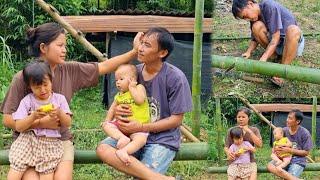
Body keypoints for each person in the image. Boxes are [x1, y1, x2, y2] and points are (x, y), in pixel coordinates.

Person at [0, 22, 141, 180]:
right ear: (43, 48)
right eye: (60, 45)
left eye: (65, 45)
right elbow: (7, 119)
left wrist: (134, 52)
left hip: (60, 140)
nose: (64, 50)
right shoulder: (23, 78)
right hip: (28, 141)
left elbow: (104, 66)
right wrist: (39, 123)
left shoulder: (69, 70)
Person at [96, 27, 192, 180]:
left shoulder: (175, 78)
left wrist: (141, 127)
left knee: (142, 175)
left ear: (162, 53)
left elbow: (177, 120)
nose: (140, 48)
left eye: (147, 45)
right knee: (103, 149)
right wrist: (119, 112)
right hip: (130, 135)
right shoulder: (133, 73)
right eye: (141, 43)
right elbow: (120, 100)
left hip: (162, 139)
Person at [7, 61, 72, 180]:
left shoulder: (59, 99)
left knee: (47, 175)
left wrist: (59, 112)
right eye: (37, 87)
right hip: (27, 141)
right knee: (16, 169)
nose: (42, 90)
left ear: (51, 81)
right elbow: (19, 126)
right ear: (29, 86)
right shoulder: (27, 101)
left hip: (50, 142)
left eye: (45, 85)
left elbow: (67, 123)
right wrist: (33, 116)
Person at [232, 0, 305, 86]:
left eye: (245, 16)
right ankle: (275, 56)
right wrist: (248, 52)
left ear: (250, 4)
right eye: (244, 18)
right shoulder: (254, 16)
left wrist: (264, 57)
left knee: (293, 30)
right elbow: (254, 38)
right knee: (256, 26)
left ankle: (283, 71)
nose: (247, 19)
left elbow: (275, 38)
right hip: (278, 45)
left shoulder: (269, 6)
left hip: (291, 44)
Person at [101, 64, 150, 166]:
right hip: (121, 128)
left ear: (132, 79)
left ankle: (125, 151)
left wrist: (132, 88)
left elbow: (140, 100)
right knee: (105, 125)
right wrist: (107, 120)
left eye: (121, 79)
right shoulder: (119, 95)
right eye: (116, 80)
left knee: (141, 140)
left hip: (138, 127)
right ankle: (121, 138)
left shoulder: (139, 88)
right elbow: (112, 109)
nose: (117, 82)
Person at [267, 109, 313, 179]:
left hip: (298, 161)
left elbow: (306, 152)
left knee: (289, 176)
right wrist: (276, 149)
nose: (287, 120)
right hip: (282, 159)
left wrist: (289, 150)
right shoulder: (284, 130)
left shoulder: (305, 133)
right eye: (288, 117)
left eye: (290, 118)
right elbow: (277, 143)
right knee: (270, 166)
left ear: (298, 121)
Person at [224, 107, 263, 180]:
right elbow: (226, 147)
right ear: (236, 118)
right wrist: (229, 153)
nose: (241, 119)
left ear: (248, 118)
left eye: (243, 117)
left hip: (250, 161)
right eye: (239, 117)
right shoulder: (232, 130)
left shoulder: (254, 130)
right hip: (235, 162)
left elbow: (260, 145)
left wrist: (249, 131)